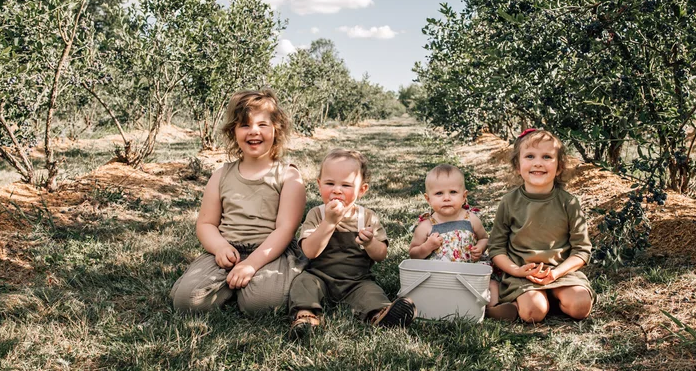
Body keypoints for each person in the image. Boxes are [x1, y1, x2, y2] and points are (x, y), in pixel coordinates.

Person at [170, 89, 306, 314]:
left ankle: (250, 286)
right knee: (187, 301)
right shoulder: (221, 175)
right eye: (245, 125)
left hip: (270, 251)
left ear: (276, 129)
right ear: (233, 131)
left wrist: (252, 264)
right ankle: (232, 283)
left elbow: (285, 230)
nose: (254, 131)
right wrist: (220, 247)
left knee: (262, 304)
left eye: (262, 125)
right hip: (226, 251)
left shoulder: (288, 175)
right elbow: (206, 224)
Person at [288, 149, 415, 339]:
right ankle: (306, 316)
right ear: (319, 184)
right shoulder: (317, 214)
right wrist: (329, 222)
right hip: (319, 278)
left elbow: (381, 255)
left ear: (362, 190)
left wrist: (371, 242)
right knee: (303, 283)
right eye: (329, 183)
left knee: (370, 292)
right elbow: (309, 251)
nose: (336, 190)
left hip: (356, 281)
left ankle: (380, 314)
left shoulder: (367, 217)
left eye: (346, 185)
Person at [484, 128, 595, 323]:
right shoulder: (509, 202)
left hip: (561, 272)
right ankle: (518, 306)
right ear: (518, 166)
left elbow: (582, 250)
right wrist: (516, 270)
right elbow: (496, 248)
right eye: (530, 156)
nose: (538, 163)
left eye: (546, 157)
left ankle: (553, 296)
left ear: (559, 167)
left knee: (580, 307)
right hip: (523, 274)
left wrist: (555, 274)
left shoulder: (569, 203)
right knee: (534, 313)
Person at [408, 164, 489, 263]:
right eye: (439, 193)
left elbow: (484, 238)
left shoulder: (470, 219)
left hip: (469, 273)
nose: (446, 198)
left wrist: (480, 248)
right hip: (438, 275)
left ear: (464, 196)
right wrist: (427, 247)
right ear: (428, 199)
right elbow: (413, 254)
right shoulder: (426, 226)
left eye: (453, 192)